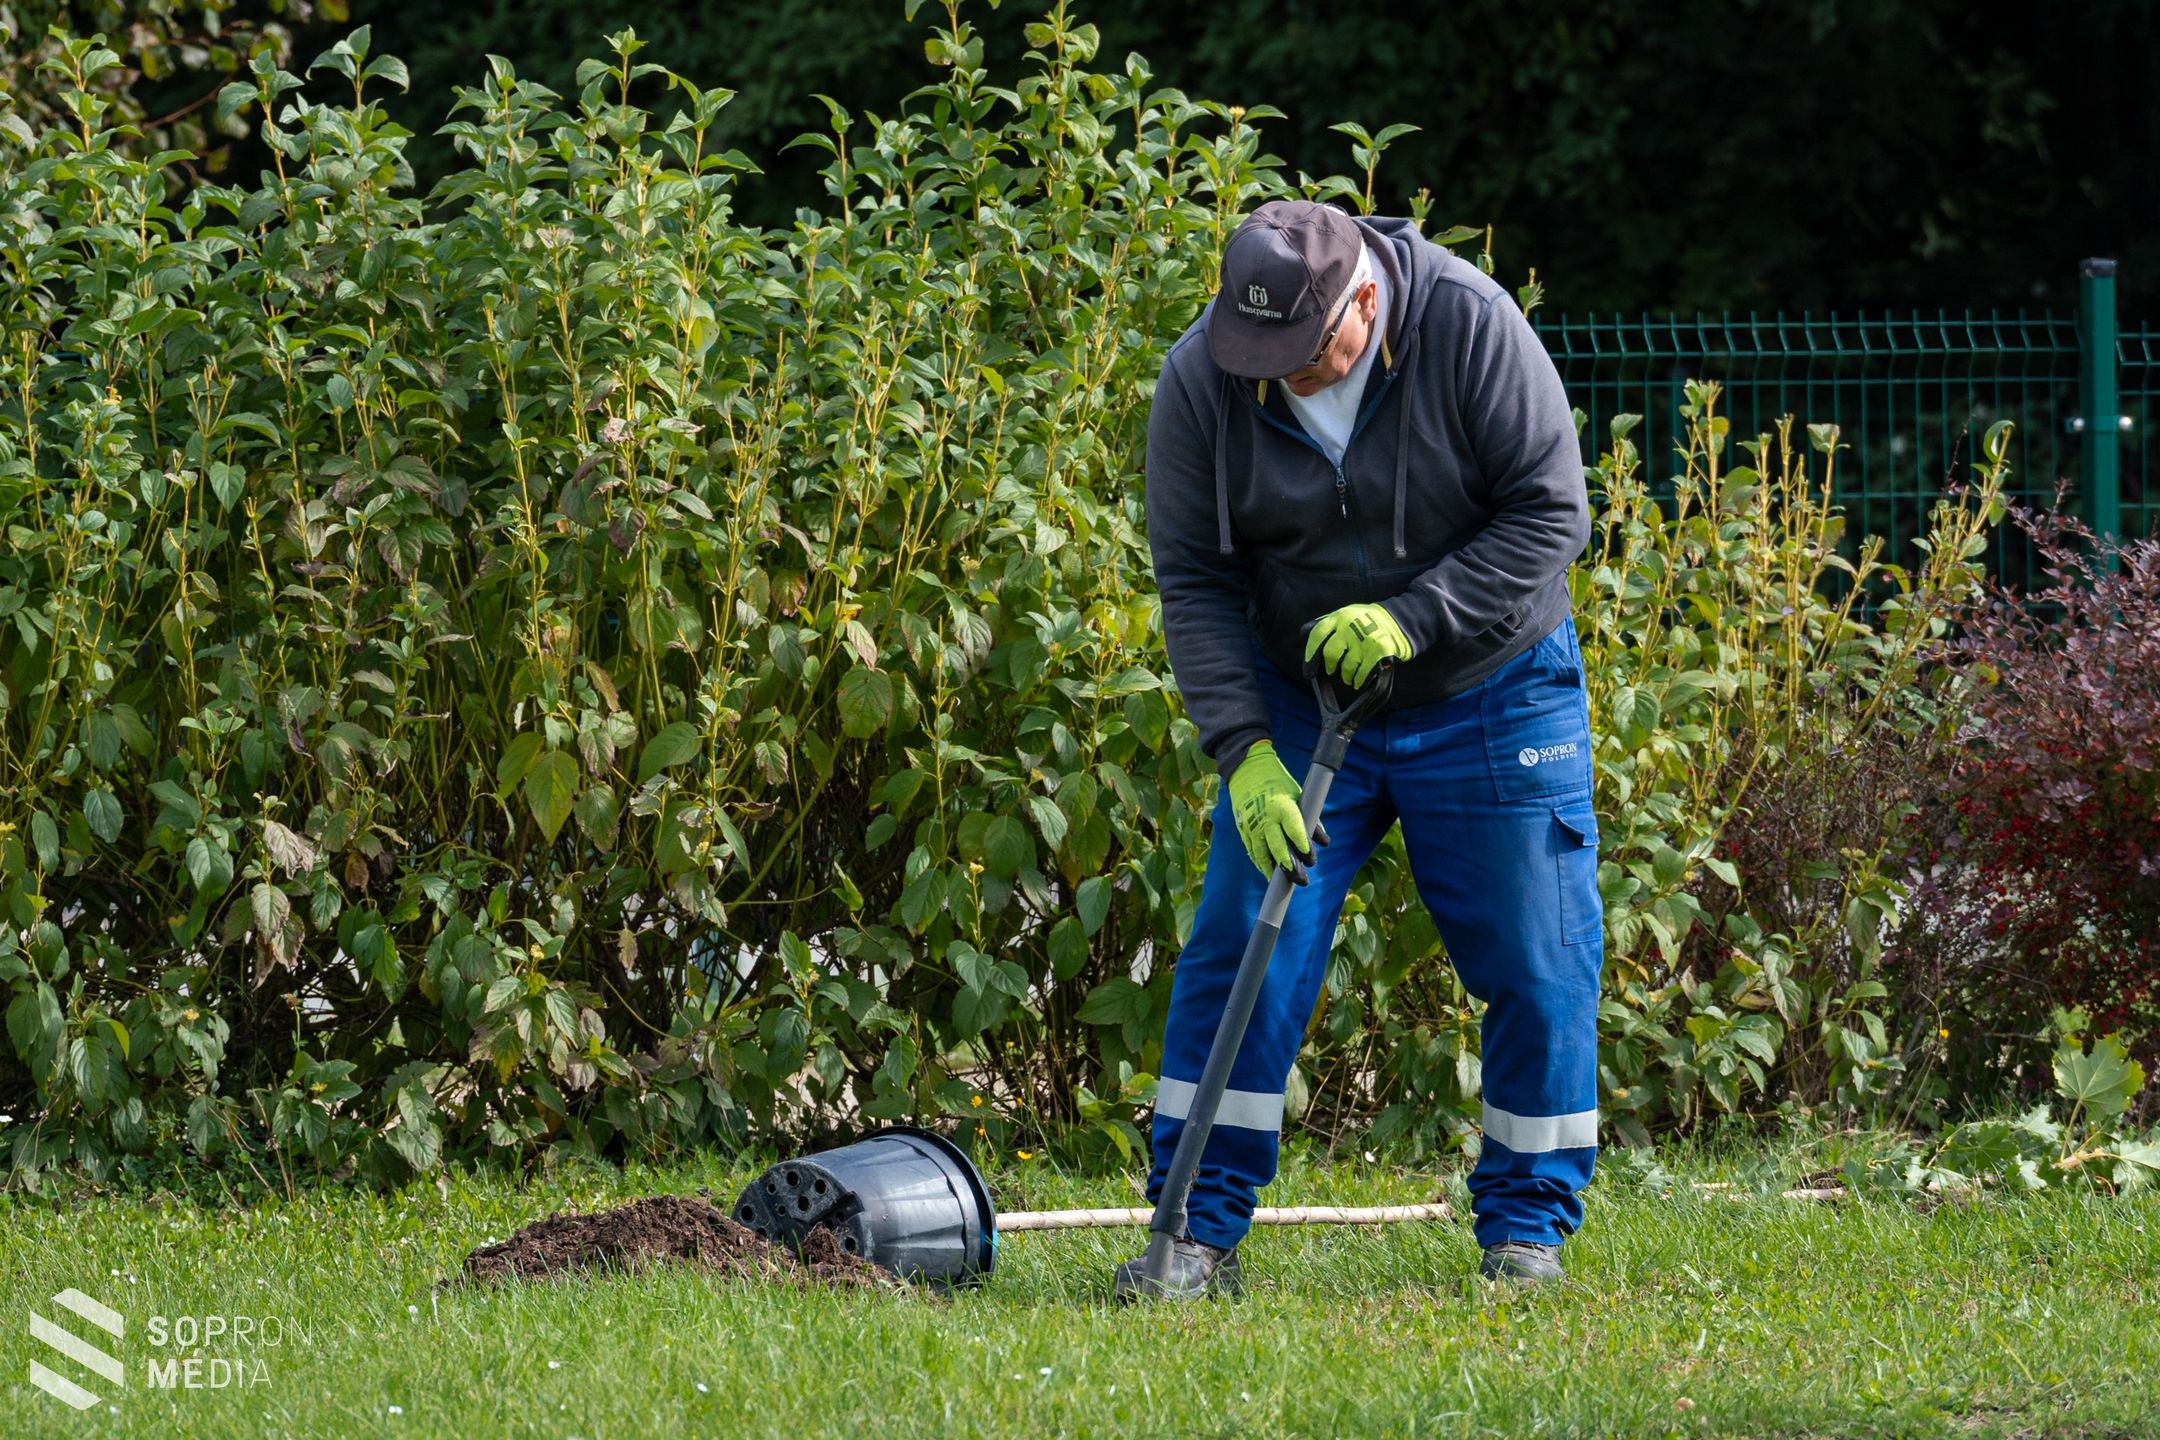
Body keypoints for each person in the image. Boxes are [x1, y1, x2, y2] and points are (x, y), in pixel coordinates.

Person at [1120, 199, 1600, 1299]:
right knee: (1245, 944)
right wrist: (1244, 751)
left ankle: (1525, 1232)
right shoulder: (1204, 377)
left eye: (1307, 353)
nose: (1283, 378)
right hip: (1304, 699)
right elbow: (1195, 580)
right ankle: (1192, 1230)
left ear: (1365, 299)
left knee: (1539, 956)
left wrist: (1414, 617)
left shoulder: (1470, 324)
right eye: (1262, 359)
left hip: (1491, 686)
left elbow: (1550, 512)